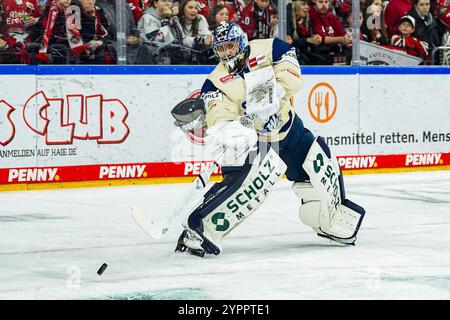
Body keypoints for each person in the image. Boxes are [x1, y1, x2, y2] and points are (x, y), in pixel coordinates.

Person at [175, 21, 366, 257]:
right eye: (221, 49)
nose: (226, 53)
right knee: (247, 188)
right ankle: (200, 229)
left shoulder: (269, 47)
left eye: (230, 46)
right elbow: (219, 121)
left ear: (241, 42)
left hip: (290, 128)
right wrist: (245, 128)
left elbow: (292, 77)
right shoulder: (214, 82)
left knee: (320, 165)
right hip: (261, 143)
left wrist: (273, 100)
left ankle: (332, 220)